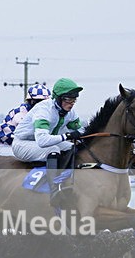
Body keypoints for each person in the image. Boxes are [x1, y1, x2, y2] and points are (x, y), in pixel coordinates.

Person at [11, 78, 87, 206]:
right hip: (22, 144)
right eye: (68, 99)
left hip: (41, 141)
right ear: (58, 98)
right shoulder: (44, 111)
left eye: (74, 99)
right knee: (53, 150)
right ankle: (54, 191)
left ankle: (67, 182)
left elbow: (81, 129)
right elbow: (43, 141)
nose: (72, 103)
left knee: (73, 148)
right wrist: (68, 135)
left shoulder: (70, 112)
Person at [0, 83, 51, 156]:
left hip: (16, 144)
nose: (40, 105)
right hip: (4, 146)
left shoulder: (39, 113)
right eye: (37, 101)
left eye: (44, 102)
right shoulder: (21, 115)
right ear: (30, 101)